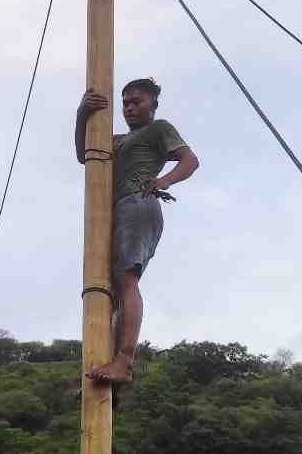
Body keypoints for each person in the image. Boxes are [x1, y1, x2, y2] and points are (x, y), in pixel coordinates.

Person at [74, 78, 199, 384]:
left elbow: (190, 160)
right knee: (114, 290)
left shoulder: (159, 129)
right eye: (125, 103)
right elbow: (84, 154)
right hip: (115, 212)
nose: (129, 108)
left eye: (137, 102)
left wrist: (162, 181)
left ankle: (124, 361)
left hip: (137, 203)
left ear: (153, 105)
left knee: (126, 280)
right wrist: (81, 115)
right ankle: (111, 372)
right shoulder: (117, 140)